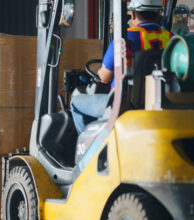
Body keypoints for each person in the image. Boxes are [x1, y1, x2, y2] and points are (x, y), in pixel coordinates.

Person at [70, 0, 172, 134]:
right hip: (161, 103)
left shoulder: (124, 39)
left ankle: (88, 152)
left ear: (133, 14)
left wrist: (100, 71)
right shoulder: (171, 38)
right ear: (159, 14)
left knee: (75, 102)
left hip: (123, 104)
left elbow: (105, 77)